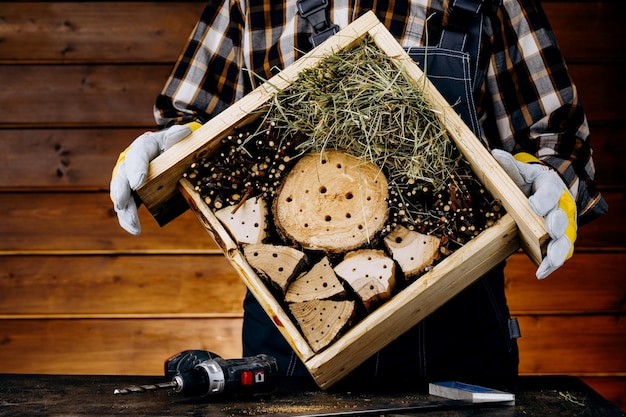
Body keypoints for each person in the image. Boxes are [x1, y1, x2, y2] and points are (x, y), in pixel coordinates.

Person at [110, 0, 607, 389]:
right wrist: (168, 148)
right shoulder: (253, 3)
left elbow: (557, 138)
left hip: (458, 334)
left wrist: (551, 181)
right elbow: (191, 122)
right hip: (292, 327)